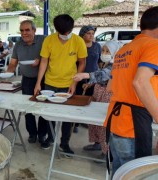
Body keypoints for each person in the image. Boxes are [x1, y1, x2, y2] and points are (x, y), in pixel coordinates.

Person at [103, 6, 158, 176]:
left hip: (115, 120)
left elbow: (110, 87)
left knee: (119, 172)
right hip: (133, 125)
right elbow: (140, 83)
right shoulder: (154, 46)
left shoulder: (124, 49)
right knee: (135, 174)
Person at [34, 14, 87, 156]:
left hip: (68, 84)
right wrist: (38, 83)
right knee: (47, 114)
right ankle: (47, 138)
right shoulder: (49, 40)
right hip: (50, 84)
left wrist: (75, 82)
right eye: (63, 33)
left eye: (69, 32)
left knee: (67, 117)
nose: (66, 35)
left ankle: (64, 144)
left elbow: (82, 62)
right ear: (57, 30)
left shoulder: (78, 41)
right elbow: (44, 61)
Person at [73, 40, 121, 161]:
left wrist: (85, 76)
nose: (104, 53)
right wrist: (90, 84)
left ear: (115, 52)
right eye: (103, 50)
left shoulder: (115, 65)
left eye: (107, 51)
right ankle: (97, 144)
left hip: (106, 96)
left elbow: (104, 75)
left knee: (103, 124)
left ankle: (107, 153)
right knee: (94, 122)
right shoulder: (105, 63)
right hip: (98, 93)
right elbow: (100, 76)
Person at [7, 20, 50, 149]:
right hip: (26, 79)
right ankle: (32, 133)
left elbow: (53, 57)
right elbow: (13, 63)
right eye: (22, 31)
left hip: (44, 80)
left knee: (43, 107)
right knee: (28, 108)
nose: (24, 33)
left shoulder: (44, 40)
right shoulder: (18, 45)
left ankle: (42, 134)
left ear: (34, 30)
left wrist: (41, 59)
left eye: (27, 30)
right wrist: (7, 74)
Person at [73, 25, 102, 133]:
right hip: (79, 76)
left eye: (92, 33)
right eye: (88, 33)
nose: (91, 36)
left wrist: (100, 73)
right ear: (82, 34)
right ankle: (75, 122)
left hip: (93, 77)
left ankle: (86, 120)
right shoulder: (77, 45)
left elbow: (100, 61)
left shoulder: (97, 46)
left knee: (90, 100)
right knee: (77, 99)